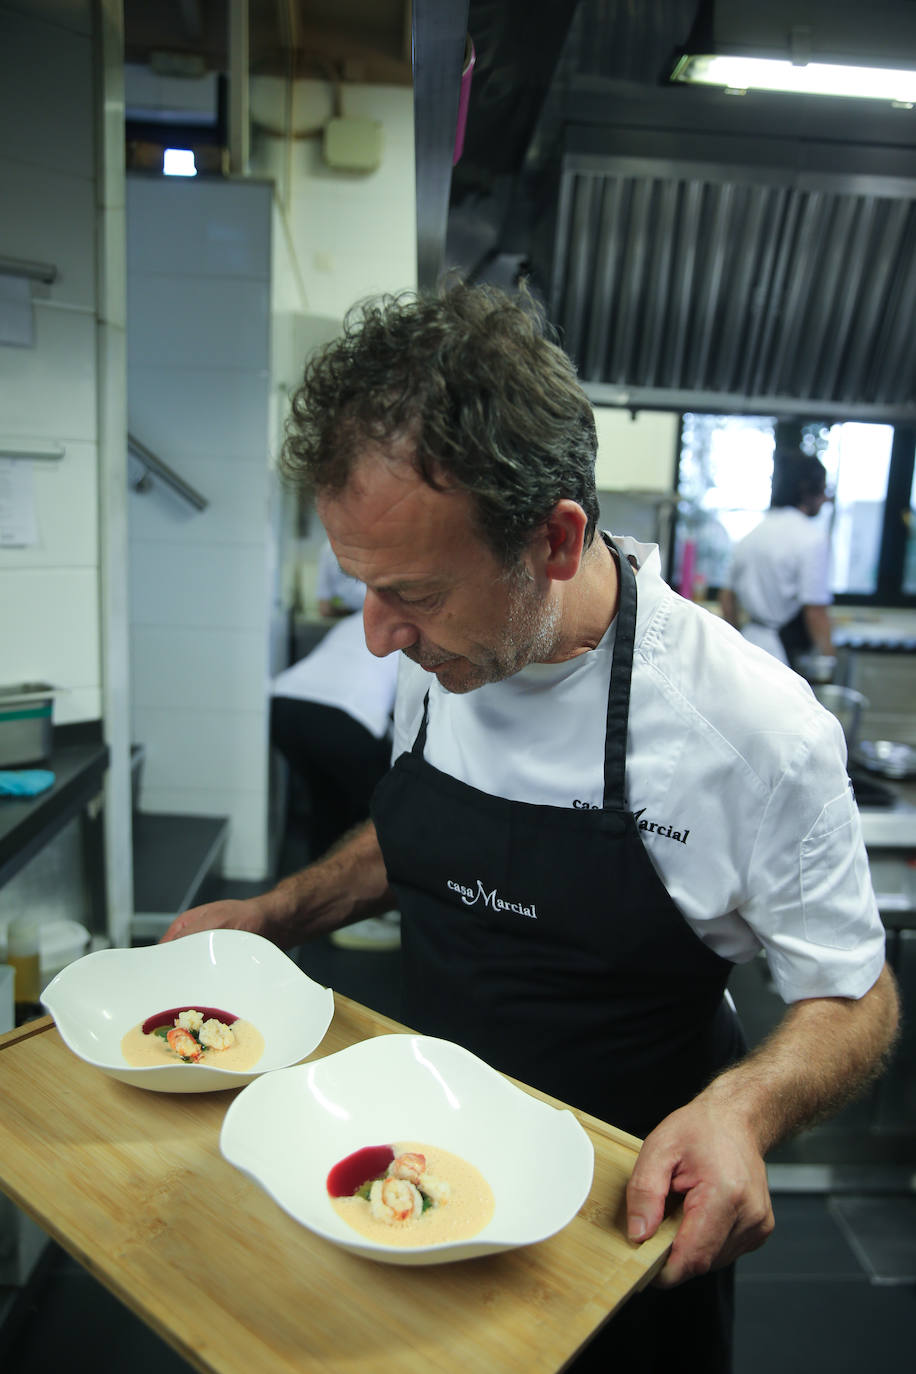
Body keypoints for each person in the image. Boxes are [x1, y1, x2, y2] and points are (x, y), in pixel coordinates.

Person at [163, 283, 898, 1372]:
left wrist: (743, 1112)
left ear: (554, 541)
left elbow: (856, 996)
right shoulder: (444, 650)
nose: (376, 640)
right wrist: (278, 911)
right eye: (362, 588)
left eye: (408, 592)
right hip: (414, 1170)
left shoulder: (750, 731)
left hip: (617, 1232)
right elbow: (420, 836)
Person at [271, 551, 400, 950]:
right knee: (380, 817)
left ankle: (316, 911)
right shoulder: (408, 630)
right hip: (346, 715)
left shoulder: (351, 622)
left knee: (327, 802)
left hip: (284, 705)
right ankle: (361, 913)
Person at [720, 454, 835, 667]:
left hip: (746, 644)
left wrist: (734, 638)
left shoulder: (750, 536)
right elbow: (816, 612)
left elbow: (727, 597)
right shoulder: (812, 538)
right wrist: (829, 660)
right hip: (781, 654)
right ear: (808, 490)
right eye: (823, 490)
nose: (825, 499)